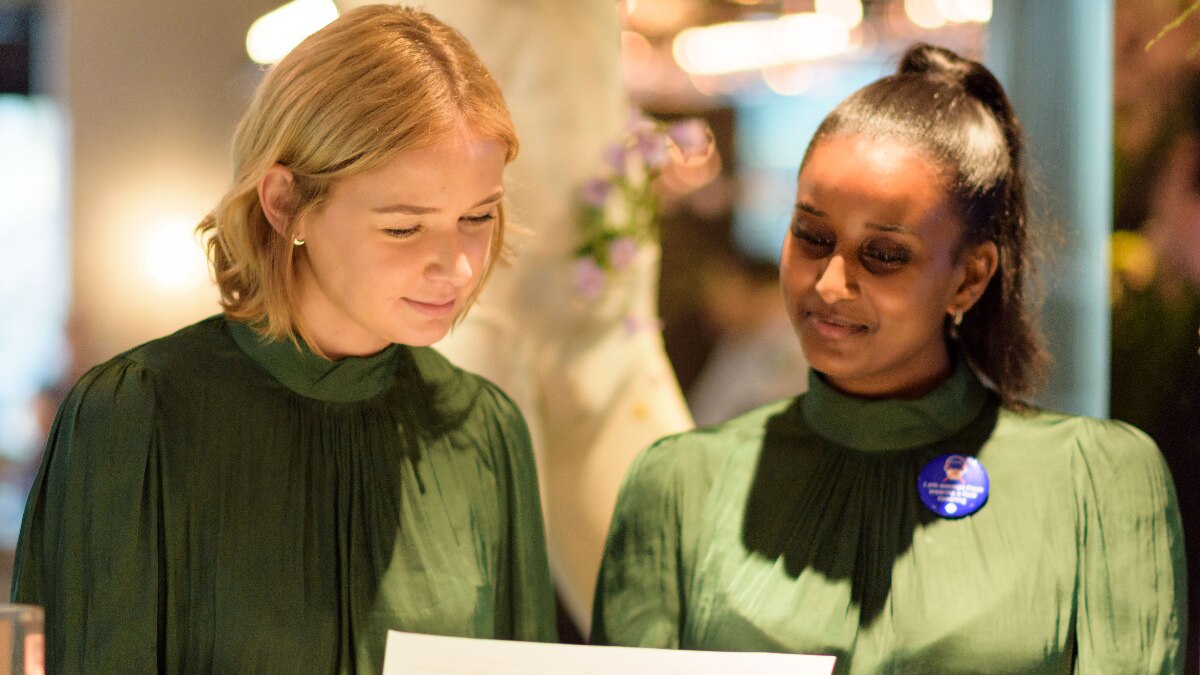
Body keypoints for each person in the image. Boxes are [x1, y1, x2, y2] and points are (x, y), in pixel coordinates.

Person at [592, 43, 1187, 672]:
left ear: (969, 278)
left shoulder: (1094, 482)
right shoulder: (681, 485)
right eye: (812, 237)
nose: (827, 284)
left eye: (883, 255)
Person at [11, 5, 556, 672]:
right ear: (284, 202)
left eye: (477, 216)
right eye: (405, 226)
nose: (460, 265)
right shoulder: (135, 416)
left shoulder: (483, 432)